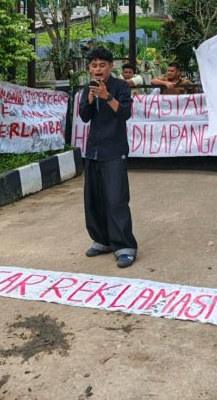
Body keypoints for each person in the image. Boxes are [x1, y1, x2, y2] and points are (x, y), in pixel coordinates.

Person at [78, 47, 138, 268]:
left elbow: (125, 113)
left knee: (116, 199)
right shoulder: (88, 88)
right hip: (93, 151)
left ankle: (125, 246)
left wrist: (107, 97)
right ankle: (102, 240)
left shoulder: (121, 86)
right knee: (93, 200)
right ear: (89, 69)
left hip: (114, 151)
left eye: (102, 65)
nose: (98, 69)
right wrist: (93, 98)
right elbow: (84, 117)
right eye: (94, 65)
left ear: (111, 67)